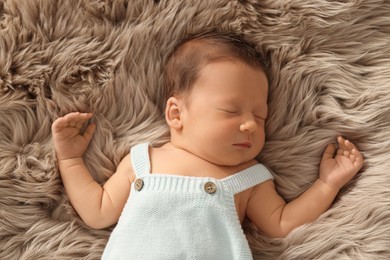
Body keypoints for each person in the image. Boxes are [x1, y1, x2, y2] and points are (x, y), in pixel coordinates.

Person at [52, 31, 364, 259]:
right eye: (231, 111)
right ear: (176, 114)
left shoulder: (248, 178)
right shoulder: (143, 162)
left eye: (261, 116)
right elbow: (97, 211)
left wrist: (327, 184)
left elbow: (281, 223)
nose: (250, 125)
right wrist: (70, 160)